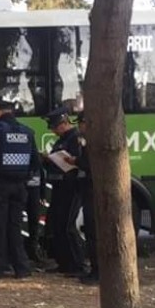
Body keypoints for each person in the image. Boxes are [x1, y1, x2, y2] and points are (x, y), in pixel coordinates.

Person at [0, 99, 38, 279]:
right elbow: (35, 161)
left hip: (1, 185)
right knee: (15, 226)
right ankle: (21, 268)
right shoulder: (28, 132)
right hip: (20, 187)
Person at [43, 107, 86, 276]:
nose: (53, 131)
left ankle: (78, 265)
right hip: (59, 187)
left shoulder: (76, 138)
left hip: (72, 186)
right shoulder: (62, 139)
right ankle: (64, 263)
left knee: (68, 226)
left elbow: (80, 162)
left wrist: (70, 160)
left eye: (55, 127)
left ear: (64, 123)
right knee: (57, 225)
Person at [72, 112, 98, 285]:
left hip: (92, 192)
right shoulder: (90, 141)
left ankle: (97, 272)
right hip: (92, 192)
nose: (79, 127)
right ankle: (96, 270)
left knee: (93, 233)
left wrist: (75, 160)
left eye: (80, 123)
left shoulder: (93, 142)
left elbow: (87, 164)